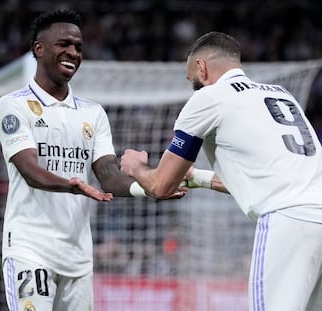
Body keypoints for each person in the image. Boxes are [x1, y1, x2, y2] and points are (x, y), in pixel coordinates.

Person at [0, 9, 185, 311]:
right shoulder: (13, 105)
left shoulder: (92, 113)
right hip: (30, 249)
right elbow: (29, 169)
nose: (73, 52)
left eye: (78, 46)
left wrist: (149, 185)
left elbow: (108, 174)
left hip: (78, 257)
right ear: (39, 49)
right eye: (64, 44)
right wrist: (71, 185)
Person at [120, 31, 322, 311]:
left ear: (201, 67)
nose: (194, 87)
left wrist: (136, 167)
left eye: (192, 80)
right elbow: (262, 176)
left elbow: (161, 186)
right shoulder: (282, 96)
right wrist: (198, 177)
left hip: (288, 222)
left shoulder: (209, 98)